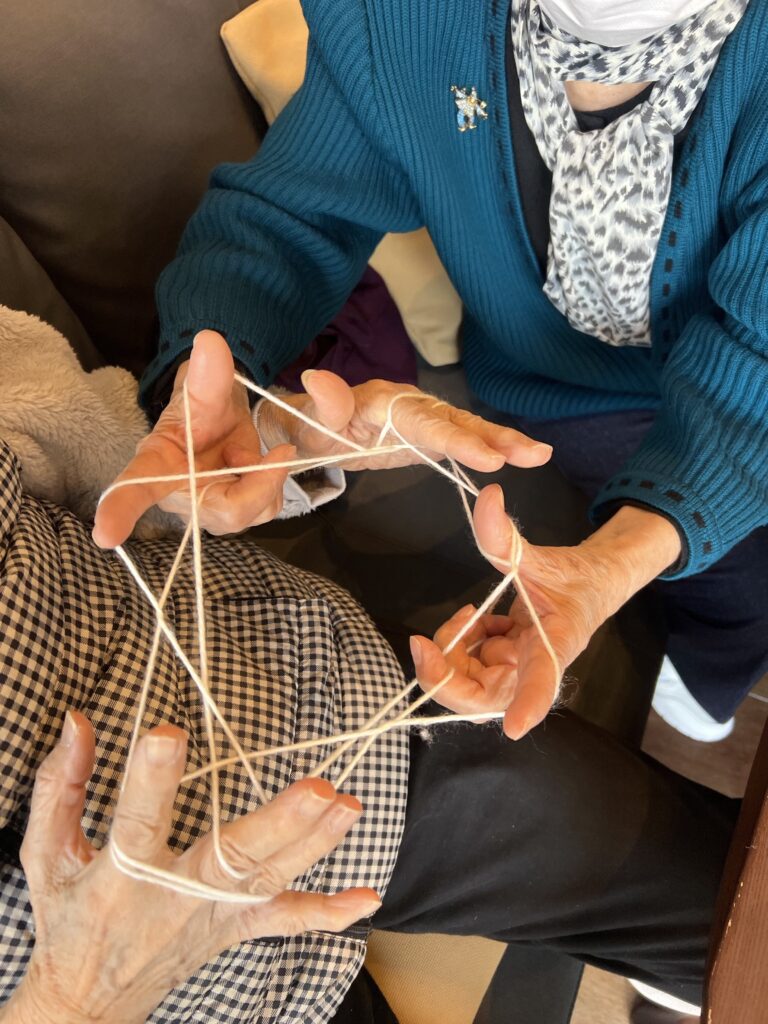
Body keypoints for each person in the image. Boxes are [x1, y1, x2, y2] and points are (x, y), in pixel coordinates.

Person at [0, 309, 738, 1023]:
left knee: (726, 911)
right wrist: (73, 1001)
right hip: (197, 1000)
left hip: (326, 708)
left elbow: (121, 477)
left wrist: (274, 441)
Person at [95, 0, 768, 745]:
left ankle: (708, 688)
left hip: (744, 392)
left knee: (736, 586)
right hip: (556, 387)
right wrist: (208, 377)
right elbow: (289, 216)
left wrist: (628, 553)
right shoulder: (398, 18)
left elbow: (758, 355)